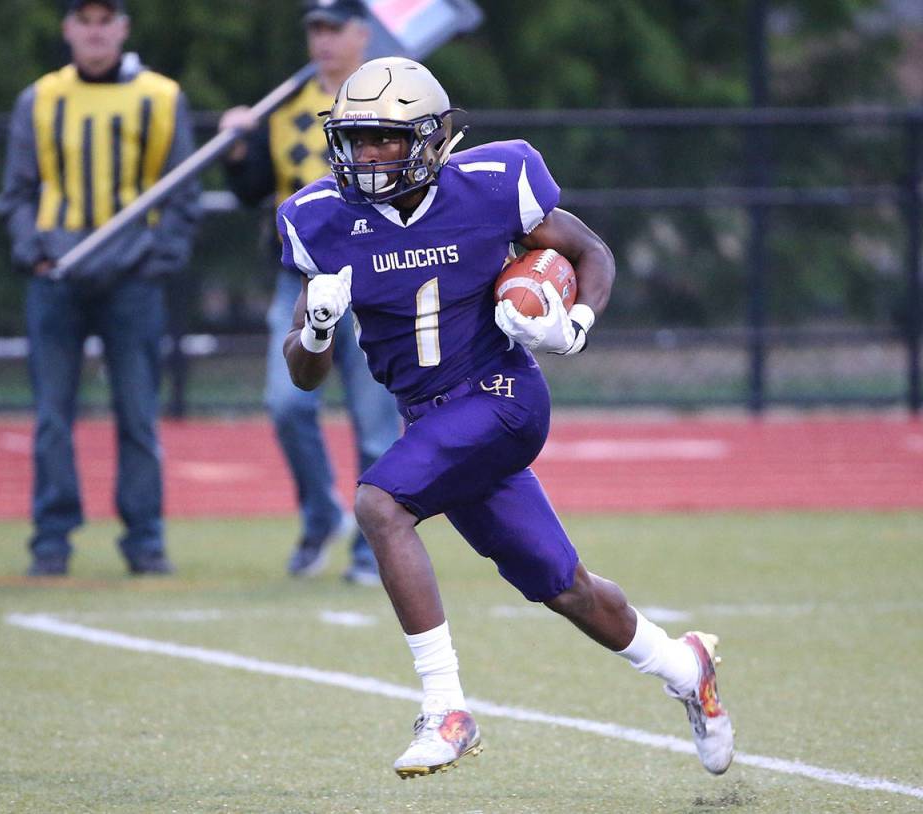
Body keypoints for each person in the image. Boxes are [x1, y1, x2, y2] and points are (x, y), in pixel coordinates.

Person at [278, 57, 736, 778]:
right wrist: (316, 331)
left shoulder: (495, 185)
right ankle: (686, 666)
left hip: (502, 396)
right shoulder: (320, 221)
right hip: (429, 423)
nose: (367, 155)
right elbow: (304, 377)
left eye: (386, 140)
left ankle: (446, 709)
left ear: (429, 141)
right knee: (563, 586)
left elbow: (590, 251)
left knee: (379, 503)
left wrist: (577, 322)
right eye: (356, 138)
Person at [1, 0, 201, 577]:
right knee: (51, 417)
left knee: (138, 413)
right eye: (83, 21)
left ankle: (144, 540)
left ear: (123, 28)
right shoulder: (38, 99)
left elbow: (183, 193)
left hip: (131, 282)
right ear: (67, 29)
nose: (94, 32)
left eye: (105, 20)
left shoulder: (161, 97)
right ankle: (51, 540)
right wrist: (33, 255)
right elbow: (18, 192)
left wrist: (158, 261)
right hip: (56, 281)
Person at [218, 0, 400, 585]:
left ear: (361, 33)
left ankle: (373, 549)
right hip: (300, 281)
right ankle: (321, 515)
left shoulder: (389, 101)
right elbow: (253, 192)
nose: (322, 40)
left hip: (377, 282)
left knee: (376, 425)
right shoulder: (285, 108)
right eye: (314, 30)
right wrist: (239, 145)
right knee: (288, 404)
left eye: (333, 28)